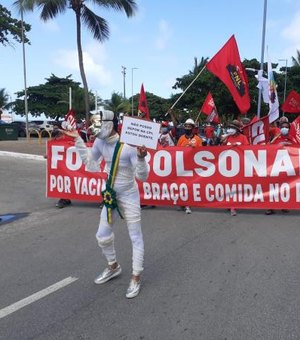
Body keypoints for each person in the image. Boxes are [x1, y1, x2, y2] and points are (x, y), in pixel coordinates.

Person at [61, 109, 149, 299]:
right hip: (111, 195)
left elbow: (142, 176)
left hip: (130, 195)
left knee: (135, 236)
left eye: (97, 124)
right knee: (102, 236)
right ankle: (113, 266)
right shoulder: (100, 142)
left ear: (109, 124)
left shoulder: (129, 145)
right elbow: (92, 165)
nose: (93, 128)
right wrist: (77, 139)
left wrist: (141, 159)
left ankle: (136, 276)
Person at [265, 119, 298, 215]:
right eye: (283, 127)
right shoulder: (276, 138)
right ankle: (270, 207)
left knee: (285, 186)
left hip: (288, 167)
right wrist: (279, 146)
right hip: (275, 166)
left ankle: (283, 205)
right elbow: (268, 149)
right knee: (273, 187)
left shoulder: (293, 138)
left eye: (287, 127)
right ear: (280, 128)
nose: (285, 129)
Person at [222, 120, 249, 216]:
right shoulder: (227, 138)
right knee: (228, 185)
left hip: (239, 166)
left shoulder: (243, 138)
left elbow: (248, 149)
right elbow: (220, 150)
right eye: (229, 127)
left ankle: (234, 205)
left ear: (237, 129)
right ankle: (230, 204)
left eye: (232, 128)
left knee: (236, 185)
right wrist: (223, 142)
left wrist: (237, 146)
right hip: (228, 166)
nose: (230, 129)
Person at [177, 118, 203, 214]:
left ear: (193, 128)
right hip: (182, 165)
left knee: (190, 185)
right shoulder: (181, 138)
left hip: (193, 165)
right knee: (182, 184)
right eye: (186, 126)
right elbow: (176, 151)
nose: (187, 128)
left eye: (189, 126)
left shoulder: (198, 139)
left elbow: (202, 152)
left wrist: (194, 149)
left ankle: (188, 204)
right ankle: (182, 202)